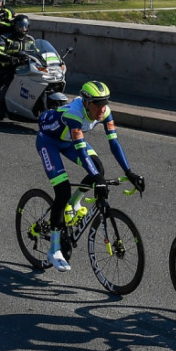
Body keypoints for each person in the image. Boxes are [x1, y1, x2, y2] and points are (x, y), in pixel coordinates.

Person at [35, 81, 144, 272]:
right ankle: (53, 249)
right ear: (86, 103)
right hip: (49, 141)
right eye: (98, 103)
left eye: (105, 102)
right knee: (62, 190)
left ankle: (74, 203)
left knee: (98, 169)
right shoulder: (74, 114)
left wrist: (129, 173)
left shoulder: (105, 111)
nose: (102, 108)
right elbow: (81, 150)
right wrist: (96, 179)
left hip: (68, 140)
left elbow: (114, 143)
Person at [0, 14, 36, 103]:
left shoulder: (30, 39)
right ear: (15, 27)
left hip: (25, 68)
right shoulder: (5, 37)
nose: (23, 29)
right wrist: (11, 58)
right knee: (9, 82)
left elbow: (36, 51)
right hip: (7, 67)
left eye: (25, 27)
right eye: (21, 27)